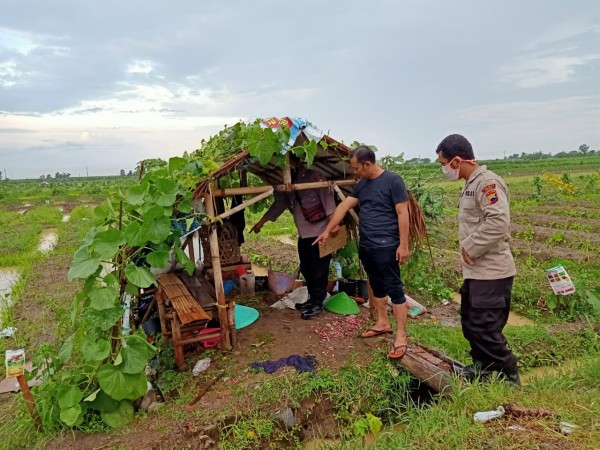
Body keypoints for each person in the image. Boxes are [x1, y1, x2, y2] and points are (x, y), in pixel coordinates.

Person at [435, 134, 520, 384]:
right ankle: (482, 366)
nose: (443, 169)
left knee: (486, 326)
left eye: (443, 163)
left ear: (458, 160)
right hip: (476, 271)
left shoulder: (487, 183)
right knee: (470, 322)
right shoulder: (471, 183)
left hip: (492, 272)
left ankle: (510, 373)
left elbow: (498, 222)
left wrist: (470, 247)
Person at [314, 146, 411, 359]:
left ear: (367, 164)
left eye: (357, 168)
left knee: (394, 287)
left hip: (387, 246)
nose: (355, 172)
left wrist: (403, 246)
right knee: (376, 284)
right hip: (367, 246)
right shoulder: (362, 185)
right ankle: (382, 322)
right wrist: (327, 231)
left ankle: (402, 335)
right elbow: (342, 207)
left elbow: (403, 213)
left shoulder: (393, 181)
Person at [252, 154, 337, 319]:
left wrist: (332, 228)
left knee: (319, 270)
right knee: (307, 268)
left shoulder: (315, 177)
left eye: (288, 162)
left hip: (320, 233)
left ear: (297, 160)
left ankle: (318, 303)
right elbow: (280, 203)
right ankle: (312, 299)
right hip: (304, 234)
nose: (286, 166)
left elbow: (329, 204)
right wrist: (261, 222)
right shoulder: (290, 181)